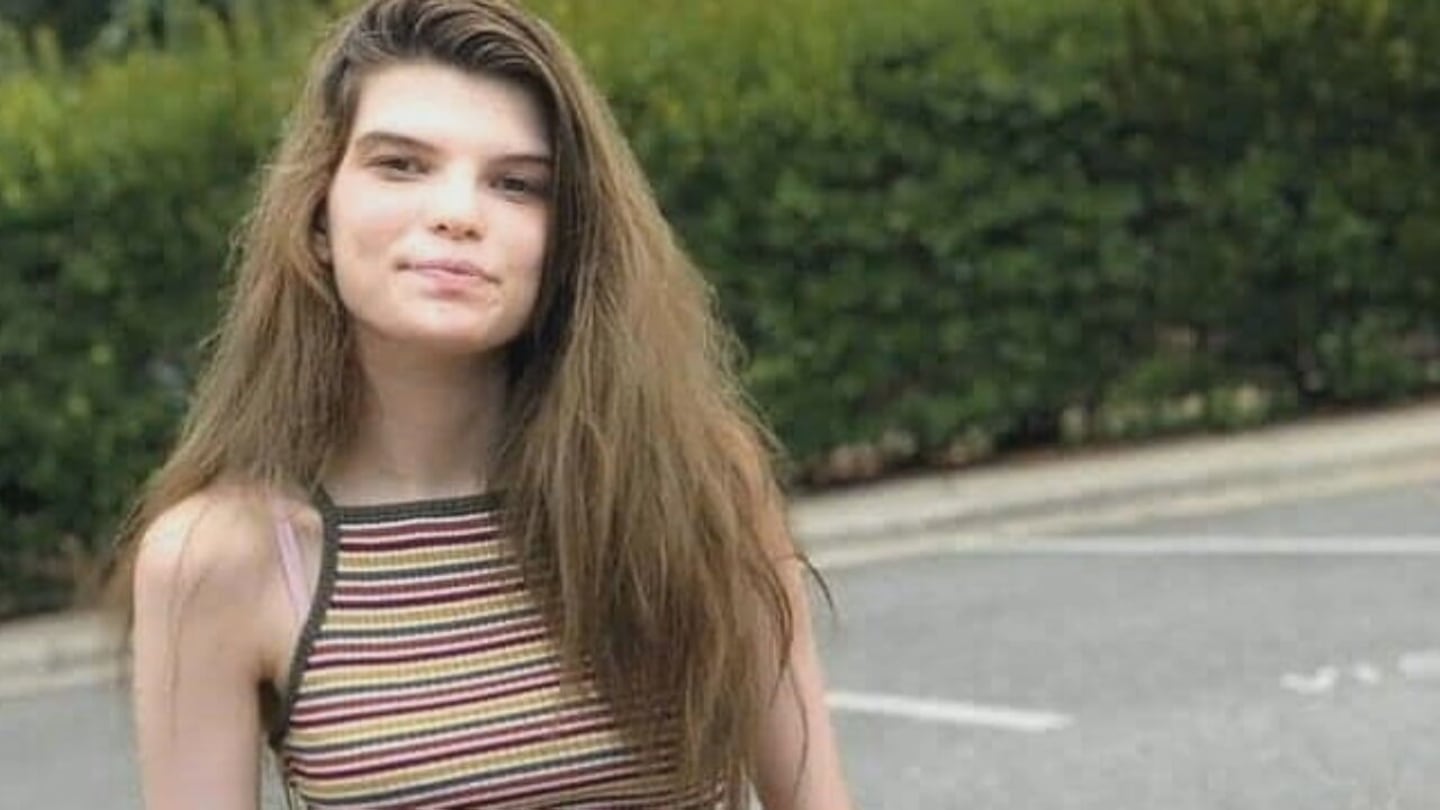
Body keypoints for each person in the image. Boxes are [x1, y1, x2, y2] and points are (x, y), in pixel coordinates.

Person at [107, 0, 854, 808]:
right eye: (401, 164)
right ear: (317, 213)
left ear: (568, 240)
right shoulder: (220, 559)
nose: (458, 214)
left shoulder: (698, 482)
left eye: (516, 184)